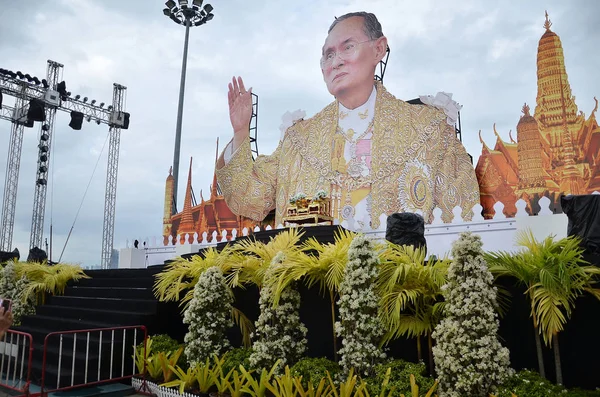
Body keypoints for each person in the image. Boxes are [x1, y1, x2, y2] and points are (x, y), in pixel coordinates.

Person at [216, 12, 480, 229]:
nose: (336, 61)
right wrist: (241, 132)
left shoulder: (428, 127)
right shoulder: (300, 138)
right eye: (328, 55)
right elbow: (249, 198)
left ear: (379, 49)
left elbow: (463, 217)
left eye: (348, 47)